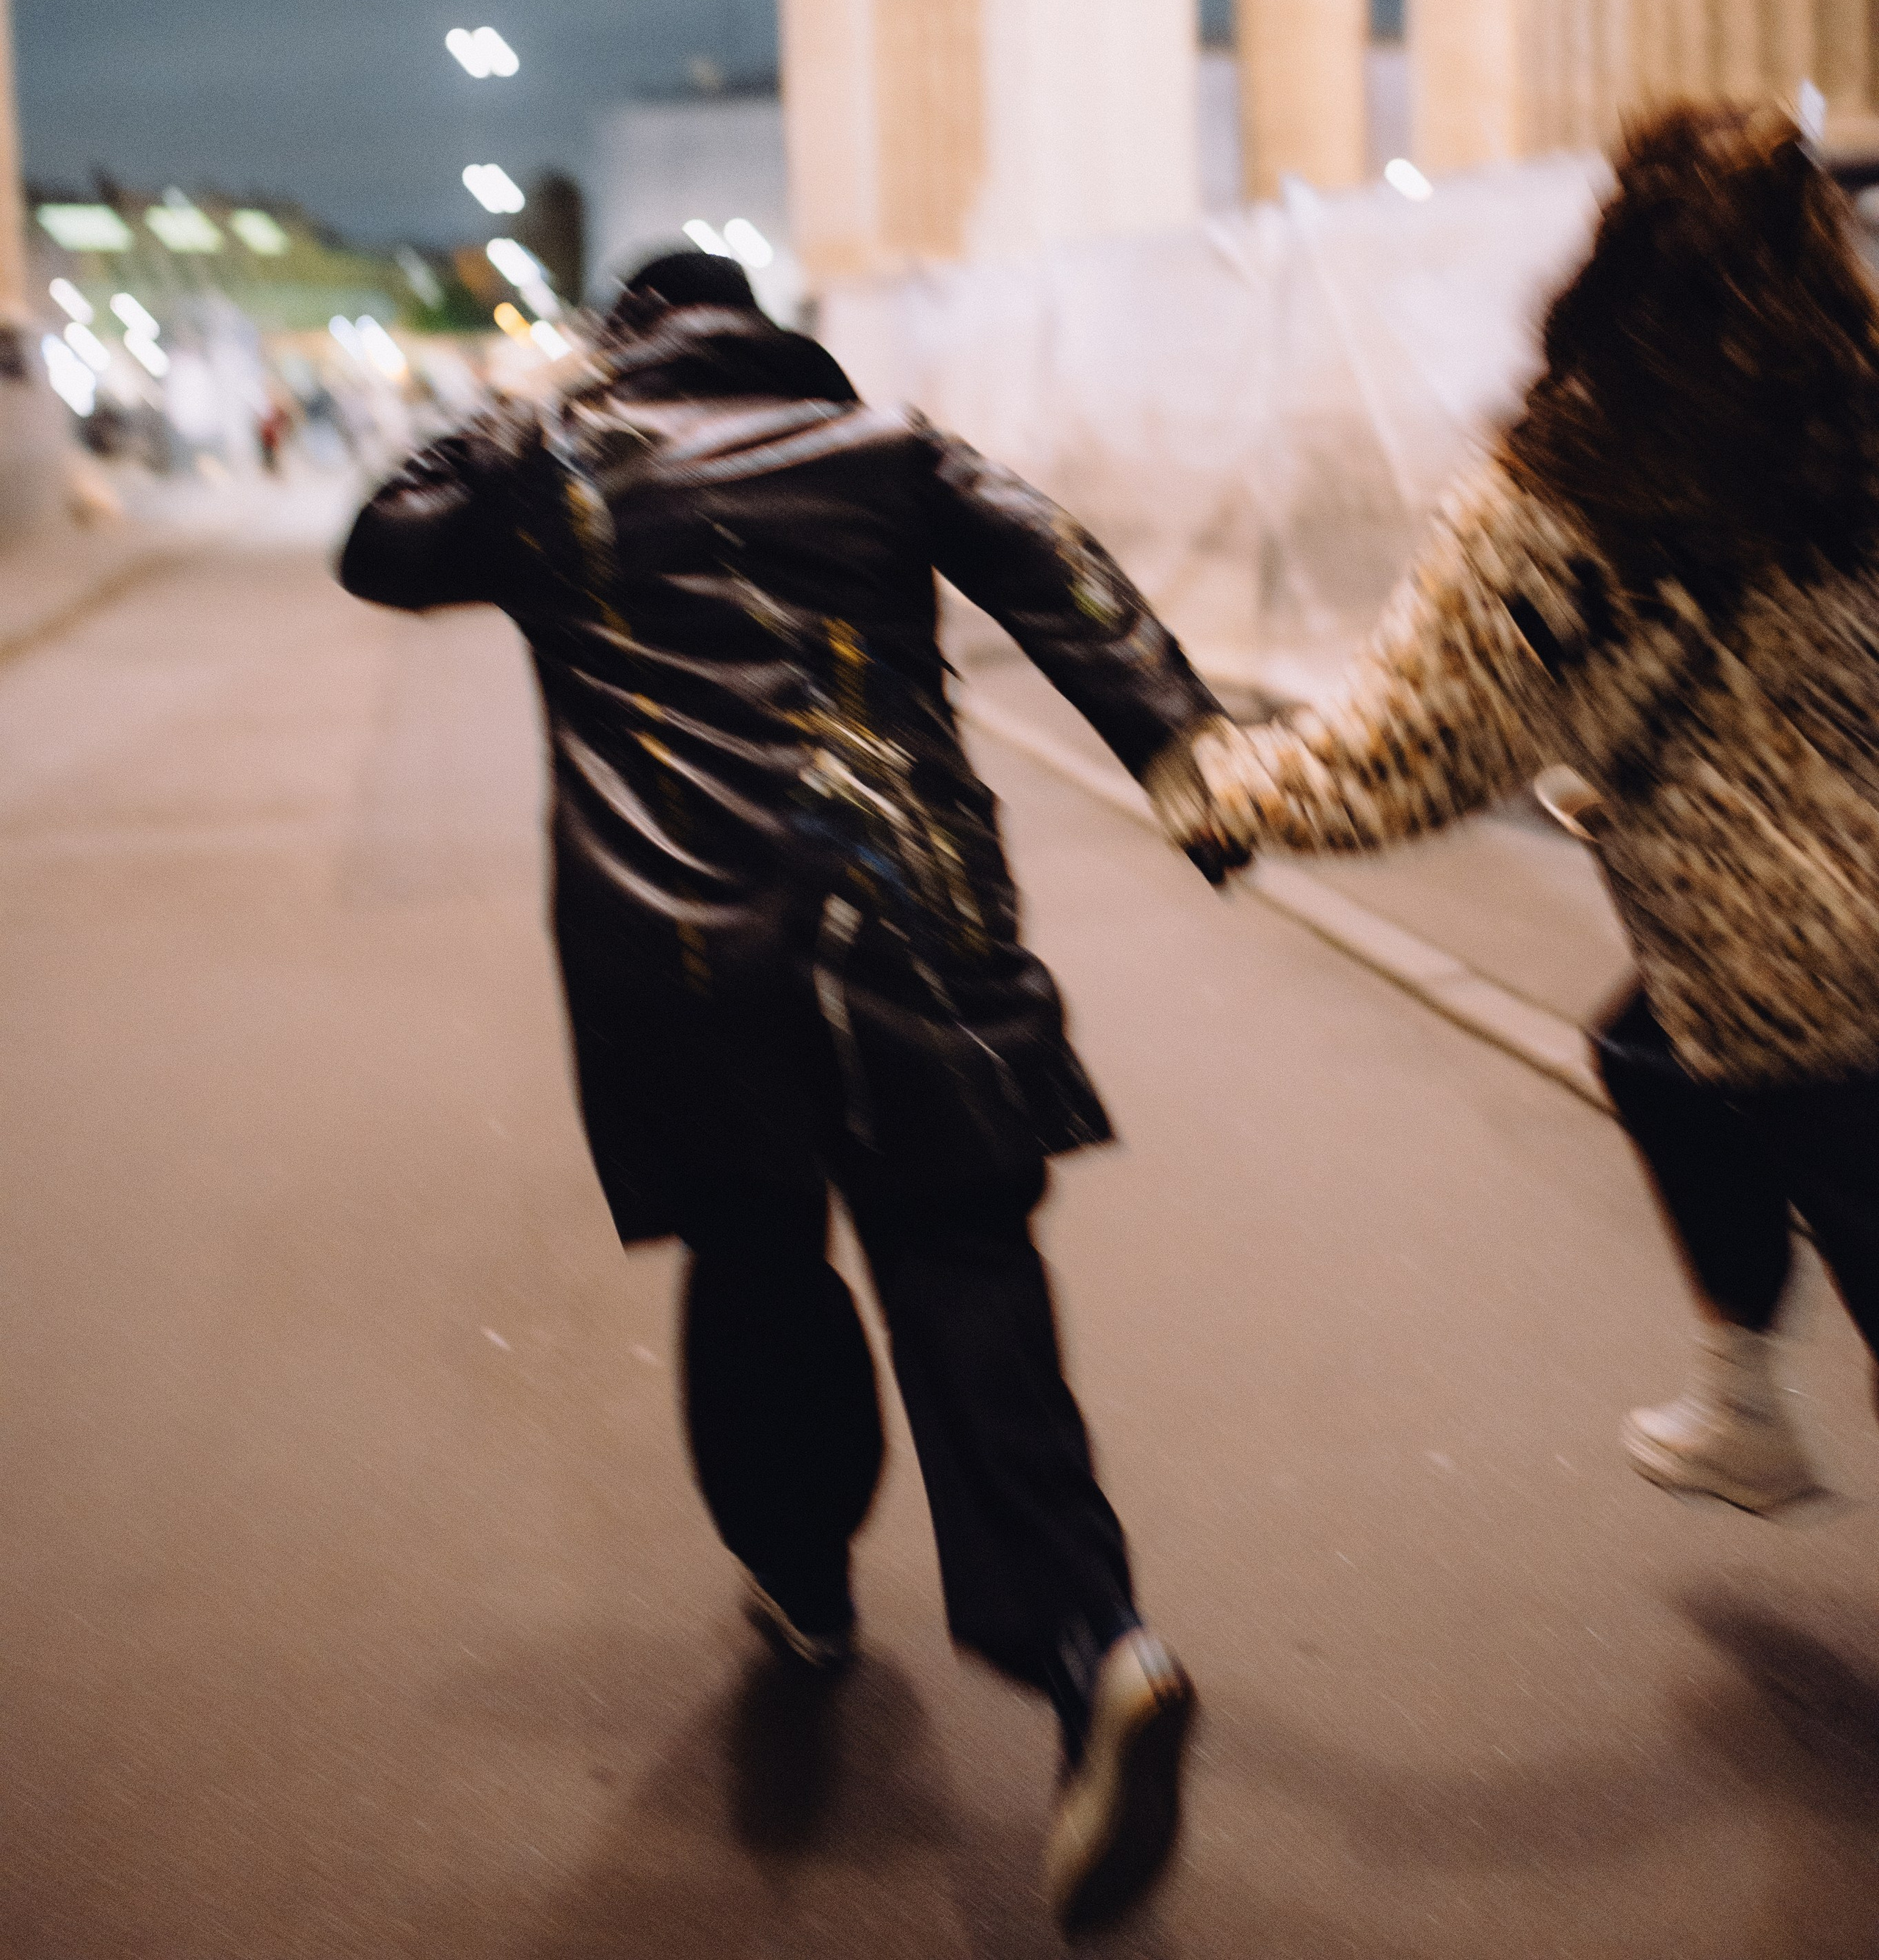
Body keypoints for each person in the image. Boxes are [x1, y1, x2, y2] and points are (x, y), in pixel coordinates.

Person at [339, 247, 1224, 1933]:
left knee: (757, 1273)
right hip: (916, 916)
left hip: (682, 974)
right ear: (773, 340)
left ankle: (806, 1590)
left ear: (624, 344)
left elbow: (381, 540)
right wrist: (1185, 754)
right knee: (968, 1272)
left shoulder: (555, 463)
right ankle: (1096, 1641)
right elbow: (1064, 569)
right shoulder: (890, 443)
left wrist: (524, 409)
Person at [1156, 104, 1879, 1512]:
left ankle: (1745, 1403)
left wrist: (1220, 787)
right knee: (1646, 1054)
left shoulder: (1570, 491)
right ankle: (1740, 1391)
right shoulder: (1856, 435)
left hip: (1789, 968)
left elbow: (1404, 750)